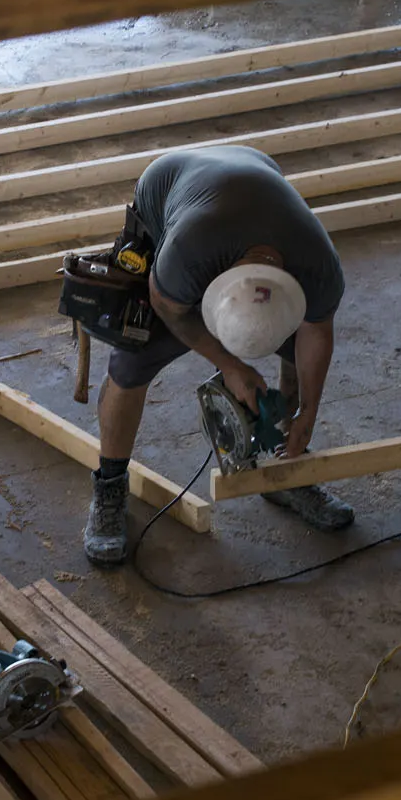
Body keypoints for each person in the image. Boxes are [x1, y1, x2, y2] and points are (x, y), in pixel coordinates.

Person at [83, 145, 350, 564]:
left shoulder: (317, 266)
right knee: (131, 362)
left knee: (298, 353)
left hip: (250, 174)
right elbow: (164, 303)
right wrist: (230, 365)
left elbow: (316, 333)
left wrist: (306, 418)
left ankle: (287, 467)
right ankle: (110, 486)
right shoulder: (188, 251)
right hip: (170, 188)